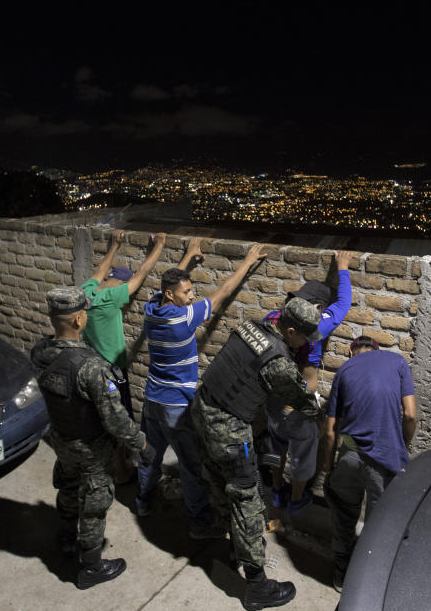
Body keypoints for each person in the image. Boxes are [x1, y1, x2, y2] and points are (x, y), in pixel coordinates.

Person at [191, 296, 323, 611]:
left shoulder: (250, 327)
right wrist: (315, 404)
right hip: (229, 429)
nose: (306, 343)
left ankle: (229, 541)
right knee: (248, 500)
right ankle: (256, 585)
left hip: (203, 409)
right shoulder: (278, 360)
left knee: (219, 480)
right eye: (304, 336)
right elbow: (299, 397)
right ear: (290, 330)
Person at [135, 239, 265, 540]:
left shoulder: (151, 309)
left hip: (152, 398)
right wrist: (247, 261)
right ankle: (199, 524)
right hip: (176, 406)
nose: (192, 297)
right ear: (171, 295)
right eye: (187, 292)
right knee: (191, 467)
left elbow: (166, 284)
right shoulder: (182, 318)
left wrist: (187, 259)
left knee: (149, 457)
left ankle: (142, 502)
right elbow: (222, 294)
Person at [30, 286, 156, 589]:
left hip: (60, 438)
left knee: (69, 486)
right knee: (95, 503)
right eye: (84, 312)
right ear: (77, 320)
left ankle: (65, 537)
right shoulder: (91, 367)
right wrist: (141, 443)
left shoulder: (41, 352)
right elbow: (115, 419)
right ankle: (91, 566)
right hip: (90, 446)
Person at [324, 335, 417, 592]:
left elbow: (331, 432)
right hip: (384, 460)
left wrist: (328, 468)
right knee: (379, 524)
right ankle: (368, 584)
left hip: (350, 456)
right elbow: (410, 415)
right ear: (377, 349)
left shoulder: (344, 370)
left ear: (351, 351)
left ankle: (341, 574)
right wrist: (403, 444)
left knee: (344, 514)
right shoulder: (398, 363)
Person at [265, 250, 354, 514]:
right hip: (297, 400)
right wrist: (344, 268)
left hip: (271, 397)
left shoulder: (273, 319)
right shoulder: (317, 328)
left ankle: (277, 494)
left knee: (277, 447)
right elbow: (343, 305)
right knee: (303, 451)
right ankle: (296, 499)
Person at [81, 229, 167, 483]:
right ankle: (121, 471)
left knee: (98, 417)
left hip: (90, 366)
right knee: (119, 419)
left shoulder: (89, 291)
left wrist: (114, 245)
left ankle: (105, 464)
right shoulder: (111, 297)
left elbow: (98, 272)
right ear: (120, 284)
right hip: (112, 371)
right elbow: (142, 274)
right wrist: (159, 246)